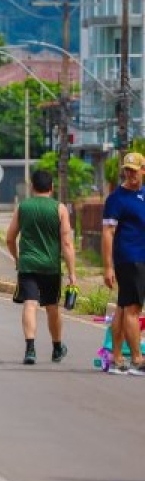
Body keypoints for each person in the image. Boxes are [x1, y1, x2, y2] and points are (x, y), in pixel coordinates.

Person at [5, 170, 77, 365]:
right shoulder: (60, 209)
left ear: (32, 187)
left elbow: (10, 238)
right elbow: (67, 244)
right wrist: (72, 273)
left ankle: (30, 349)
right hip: (51, 266)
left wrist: (17, 258)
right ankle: (56, 347)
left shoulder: (23, 207)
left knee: (30, 303)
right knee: (52, 306)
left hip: (27, 265)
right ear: (52, 187)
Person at [101, 151, 145, 375]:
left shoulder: (143, 194)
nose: (130, 174)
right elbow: (108, 233)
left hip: (141, 258)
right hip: (129, 259)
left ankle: (117, 356)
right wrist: (108, 266)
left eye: (134, 170)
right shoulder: (116, 199)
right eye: (127, 170)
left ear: (143, 171)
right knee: (132, 309)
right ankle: (137, 359)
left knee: (122, 307)